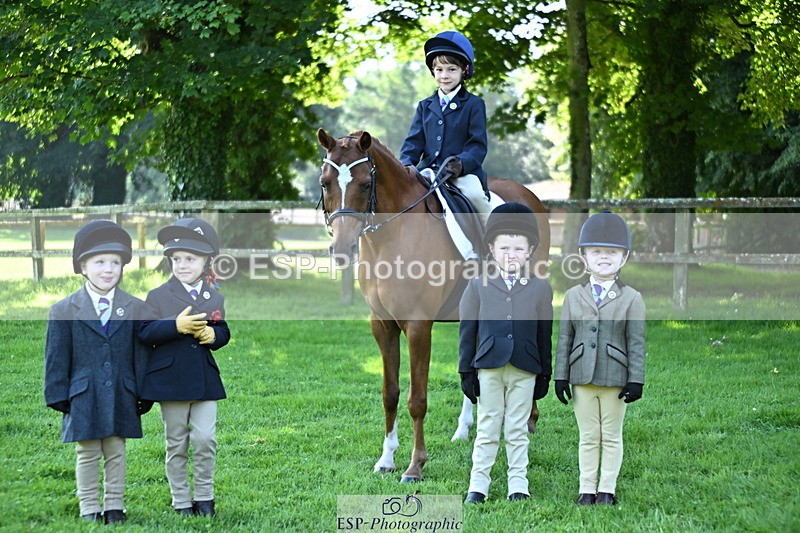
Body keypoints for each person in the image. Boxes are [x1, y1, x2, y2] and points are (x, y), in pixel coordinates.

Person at [44, 220, 148, 524]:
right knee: (87, 451)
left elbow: (140, 354)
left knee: (116, 449)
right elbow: (56, 356)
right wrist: (58, 394)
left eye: (115, 262)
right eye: (99, 262)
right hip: (83, 394)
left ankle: (115, 505)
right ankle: (89, 507)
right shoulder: (64, 310)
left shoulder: (134, 307)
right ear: (83, 267)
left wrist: (143, 391)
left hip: (121, 391)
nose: (108, 269)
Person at [458, 203, 553, 504]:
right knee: (487, 425)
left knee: (517, 428)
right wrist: (466, 371)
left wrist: (545, 373)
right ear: (491, 248)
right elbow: (467, 332)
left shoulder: (540, 288)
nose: (511, 255)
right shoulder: (477, 285)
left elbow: (544, 334)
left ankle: (518, 484)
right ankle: (478, 485)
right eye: (504, 248)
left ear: (530, 251)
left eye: (518, 249)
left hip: (525, 368)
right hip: (489, 366)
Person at [138, 217, 231, 517]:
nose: (182, 265)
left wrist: (214, 336)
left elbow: (223, 329)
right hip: (171, 381)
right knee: (176, 443)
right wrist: (175, 325)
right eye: (176, 259)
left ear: (205, 262)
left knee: (205, 439)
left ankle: (205, 498)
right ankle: (181, 501)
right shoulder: (158, 296)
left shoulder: (213, 296)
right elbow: (144, 331)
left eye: (190, 259)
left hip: (204, 381)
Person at [554, 211, 646, 506]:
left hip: (615, 378)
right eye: (596, 252)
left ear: (624, 258)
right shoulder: (572, 296)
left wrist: (636, 380)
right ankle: (586, 489)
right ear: (583, 256)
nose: (604, 257)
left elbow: (636, 342)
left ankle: (607, 489)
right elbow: (565, 338)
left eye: (612, 252)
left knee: (612, 435)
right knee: (588, 435)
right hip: (581, 376)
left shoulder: (632, 298)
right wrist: (560, 376)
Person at [399, 30, 493, 222]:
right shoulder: (424, 106)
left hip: (460, 174)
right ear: (433, 71)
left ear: (464, 70)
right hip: (427, 172)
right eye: (439, 70)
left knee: (476, 197)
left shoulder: (474, 104)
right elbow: (413, 142)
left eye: (451, 69)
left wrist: (461, 163)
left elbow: (477, 146)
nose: (444, 76)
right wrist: (406, 165)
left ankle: (493, 236)